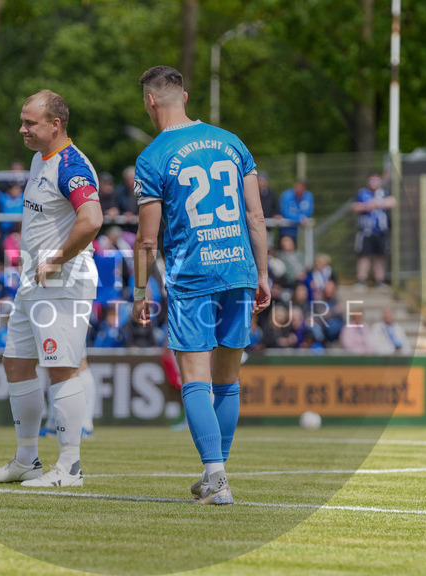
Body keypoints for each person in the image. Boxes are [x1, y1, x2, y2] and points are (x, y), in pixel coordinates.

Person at [131, 65, 270, 505]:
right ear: (185, 97)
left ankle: (216, 476)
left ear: (151, 102)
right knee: (228, 378)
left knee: (195, 377)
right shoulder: (232, 143)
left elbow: (148, 239)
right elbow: (255, 217)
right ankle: (218, 475)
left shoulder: (152, 157)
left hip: (193, 275)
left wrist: (139, 291)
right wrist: (263, 273)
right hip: (239, 270)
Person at [0, 89, 102, 489]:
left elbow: (92, 219)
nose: (22, 129)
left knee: (61, 369)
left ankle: (69, 467)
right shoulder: (40, 159)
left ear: (55, 125)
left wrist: (56, 259)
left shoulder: (71, 165)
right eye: (22, 121)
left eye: (30, 123)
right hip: (34, 281)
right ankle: (27, 460)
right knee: (15, 362)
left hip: (63, 280)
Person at [352, 173, 396, 287]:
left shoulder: (384, 192)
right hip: (366, 231)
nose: (374, 183)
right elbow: (355, 206)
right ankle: (361, 280)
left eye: (376, 180)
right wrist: (367, 206)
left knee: (380, 256)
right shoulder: (362, 193)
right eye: (371, 180)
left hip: (381, 231)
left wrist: (378, 203)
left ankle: (379, 280)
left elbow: (392, 202)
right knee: (364, 256)